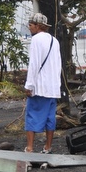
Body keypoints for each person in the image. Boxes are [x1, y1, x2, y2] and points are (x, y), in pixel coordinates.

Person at [24, 12, 62, 153]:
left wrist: (29, 85)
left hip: (39, 86)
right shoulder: (54, 40)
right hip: (52, 87)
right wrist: (57, 84)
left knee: (32, 116)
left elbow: (34, 64)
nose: (29, 27)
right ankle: (48, 146)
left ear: (38, 26)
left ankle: (30, 147)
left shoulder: (36, 40)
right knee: (49, 118)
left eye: (31, 25)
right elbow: (58, 65)